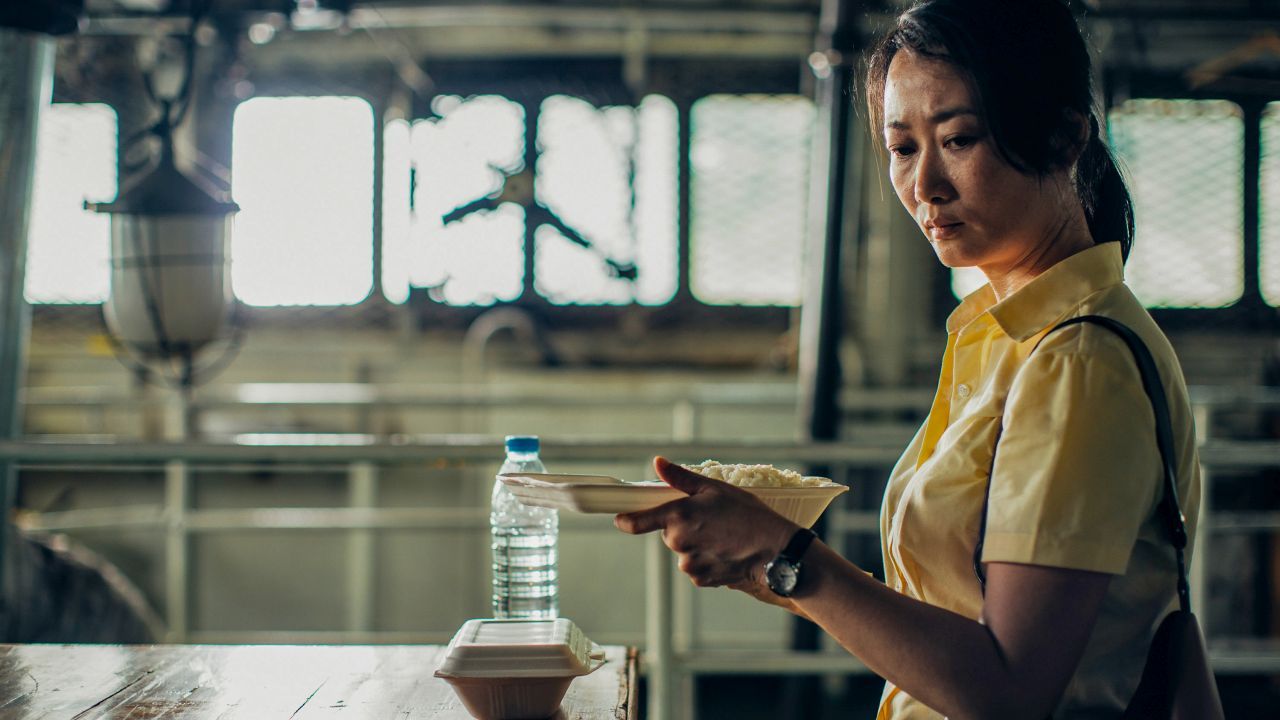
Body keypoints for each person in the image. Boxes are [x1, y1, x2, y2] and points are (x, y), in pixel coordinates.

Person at [614, 1, 1202, 718]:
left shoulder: (1077, 359)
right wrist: (767, 561)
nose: (924, 186)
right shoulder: (1006, 337)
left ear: (1063, 136)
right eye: (902, 148)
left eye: (958, 139)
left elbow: (1008, 690)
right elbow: (954, 620)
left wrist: (793, 552)